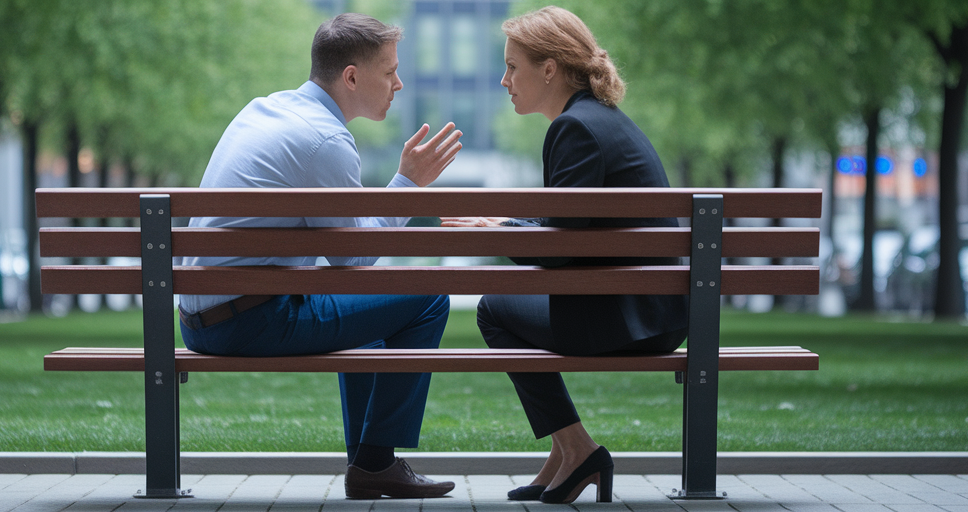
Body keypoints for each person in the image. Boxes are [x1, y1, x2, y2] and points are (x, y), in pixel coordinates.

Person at [176, 13, 463, 499]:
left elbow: (341, 258)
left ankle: (375, 466)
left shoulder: (265, 109)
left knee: (365, 321)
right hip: (248, 321)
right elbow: (354, 263)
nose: (399, 83)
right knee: (431, 295)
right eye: (390, 71)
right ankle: (374, 462)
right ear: (351, 77)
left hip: (197, 318)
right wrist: (408, 186)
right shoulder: (326, 139)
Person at [440, 6, 687, 504]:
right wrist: (507, 226)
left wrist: (496, 235)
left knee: (493, 309)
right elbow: (573, 230)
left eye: (513, 66)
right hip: (656, 314)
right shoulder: (601, 120)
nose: (504, 79)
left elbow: (557, 251)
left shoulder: (572, 129)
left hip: (628, 319)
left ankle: (577, 449)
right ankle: (565, 454)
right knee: (506, 306)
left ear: (549, 68)